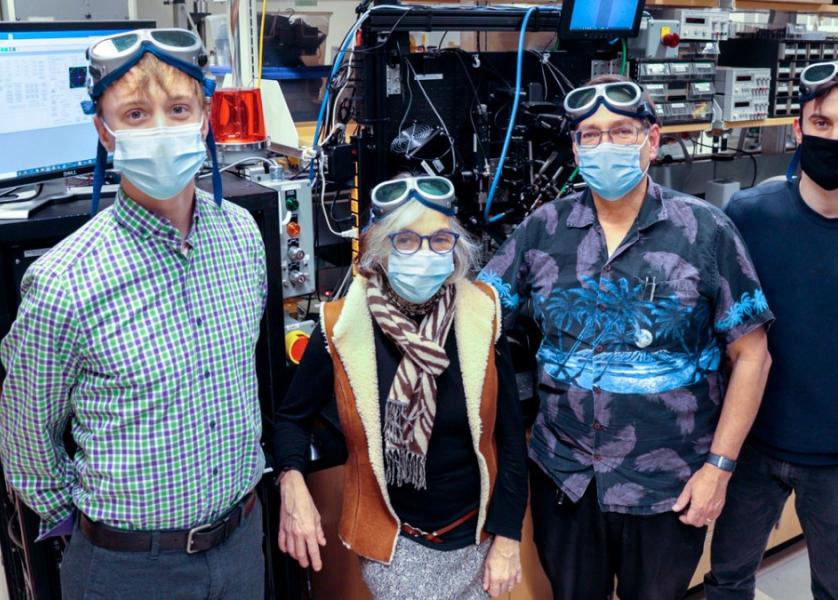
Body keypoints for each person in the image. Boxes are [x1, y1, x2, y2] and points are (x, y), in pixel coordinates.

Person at [477, 74, 774, 600]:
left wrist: (719, 470)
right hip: (565, 477)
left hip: (669, 482)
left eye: (620, 131)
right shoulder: (543, 228)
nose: (604, 145)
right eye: (590, 134)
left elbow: (752, 355)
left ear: (652, 141)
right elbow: (479, 314)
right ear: (574, 147)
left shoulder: (705, 231)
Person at [0, 29, 267, 599]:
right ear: (105, 131)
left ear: (203, 119)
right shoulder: (63, 283)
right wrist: (96, 528)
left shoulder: (243, 238)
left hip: (242, 541)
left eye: (177, 109)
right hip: (129, 568)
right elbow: (25, 442)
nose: (161, 131)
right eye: (136, 114)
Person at [273, 174, 528, 599]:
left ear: (456, 248)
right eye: (406, 240)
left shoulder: (482, 315)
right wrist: (292, 479)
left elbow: (509, 442)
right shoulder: (342, 325)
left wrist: (508, 536)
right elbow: (290, 418)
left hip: (479, 543)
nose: (425, 253)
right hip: (395, 546)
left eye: (439, 240)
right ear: (380, 249)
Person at [706, 60, 838, 600]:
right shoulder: (748, 214)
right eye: (822, 123)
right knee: (727, 578)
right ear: (798, 129)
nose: (835, 136)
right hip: (753, 445)